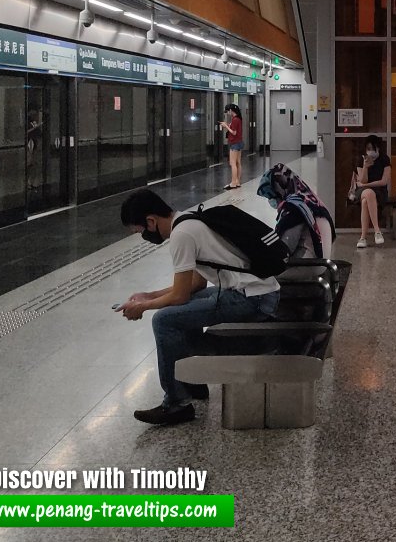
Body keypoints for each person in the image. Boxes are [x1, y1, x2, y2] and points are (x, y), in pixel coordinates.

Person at [117, 189, 280, 425]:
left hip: (251, 299)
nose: (144, 236)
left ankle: (175, 403)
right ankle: (192, 382)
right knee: (184, 310)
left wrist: (144, 308)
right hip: (259, 291)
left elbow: (180, 295)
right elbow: (195, 283)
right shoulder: (189, 219)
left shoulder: (181, 236)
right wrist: (148, 296)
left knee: (163, 320)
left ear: (151, 221)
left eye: (141, 231)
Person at [257, 163, 336, 258]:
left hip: (306, 264)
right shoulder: (311, 201)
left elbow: (285, 247)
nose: (270, 200)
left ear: (278, 189)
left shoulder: (293, 208)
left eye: (271, 195)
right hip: (322, 261)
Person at [355, 135, 391, 249]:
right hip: (362, 191)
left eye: (372, 148)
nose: (370, 151)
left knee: (366, 201)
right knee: (368, 193)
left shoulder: (384, 159)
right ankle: (377, 230)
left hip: (379, 191)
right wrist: (365, 167)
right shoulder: (361, 159)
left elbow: (384, 181)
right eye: (368, 148)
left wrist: (366, 185)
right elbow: (362, 180)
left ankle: (363, 238)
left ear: (378, 148)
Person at [218, 103, 244, 190]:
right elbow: (234, 129)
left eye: (227, 111)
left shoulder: (235, 119)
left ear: (231, 110)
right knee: (238, 162)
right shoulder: (238, 119)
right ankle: (237, 181)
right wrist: (227, 125)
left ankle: (233, 183)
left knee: (232, 163)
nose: (227, 113)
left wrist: (225, 126)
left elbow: (234, 132)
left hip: (234, 143)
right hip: (239, 142)